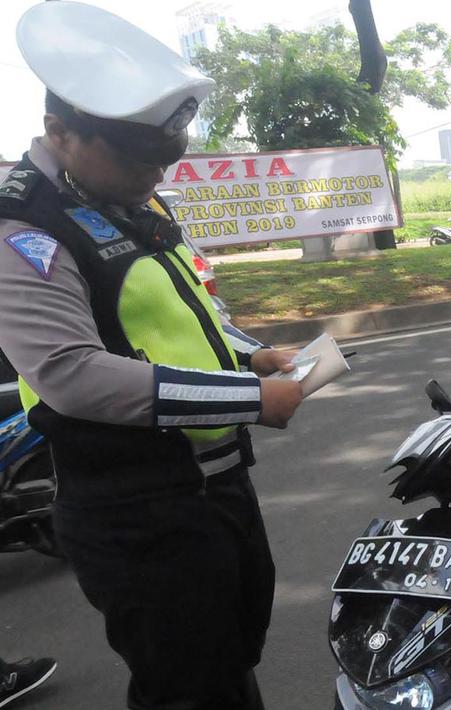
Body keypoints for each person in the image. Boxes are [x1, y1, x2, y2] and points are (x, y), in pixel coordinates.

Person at [0, 4, 304, 708]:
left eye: (166, 157)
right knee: (186, 689)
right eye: (138, 158)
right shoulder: (24, 230)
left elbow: (188, 312)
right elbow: (72, 375)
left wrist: (255, 355)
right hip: (136, 513)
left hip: (215, 489)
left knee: (231, 663)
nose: (156, 173)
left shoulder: (129, 200)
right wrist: (249, 399)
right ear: (60, 133)